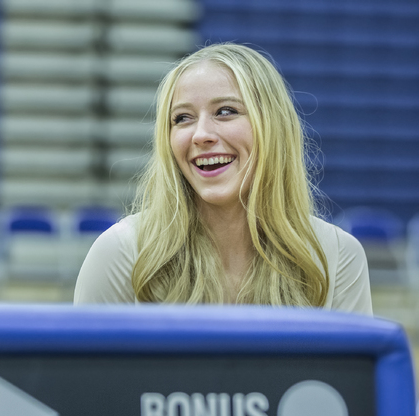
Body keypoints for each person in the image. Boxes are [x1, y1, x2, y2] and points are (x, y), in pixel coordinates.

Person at [74, 43, 372, 315]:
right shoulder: (121, 253)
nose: (201, 134)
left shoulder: (338, 256)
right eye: (182, 118)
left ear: (273, 127)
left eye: (226, 111)